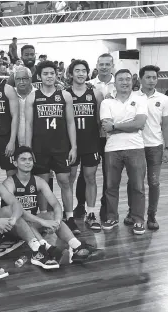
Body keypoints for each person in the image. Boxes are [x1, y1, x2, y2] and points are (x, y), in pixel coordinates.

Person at [3, 146, 103, 264]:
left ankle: (76, 246)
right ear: (15, 163)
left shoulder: (38, 181)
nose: (27, 162)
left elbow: (55, 204)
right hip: (13, 227)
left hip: (33, 226)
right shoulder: (9, 183)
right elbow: (17, 211)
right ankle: (48, 249)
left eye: (30, 159)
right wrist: (43, 222)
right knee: (23, 219)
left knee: (51, 215)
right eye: (23, 159)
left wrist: (57, 221)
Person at [24, 61, 79, 235]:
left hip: (61, 147)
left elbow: (71, 123)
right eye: (45, 73)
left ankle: (69, 217)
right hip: (40, 148)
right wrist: (27, 149)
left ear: (57, 75)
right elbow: (29, 125)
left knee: (65, 181)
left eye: (52, 73)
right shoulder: (32, 97)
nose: (49, 76)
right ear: (39, 76)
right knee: (42, 183)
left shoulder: (65, 96)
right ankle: (45, 217)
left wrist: (74, 146)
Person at [100, 69, 147, 234]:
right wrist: (127, 124)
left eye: (128, 79)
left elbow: (139, 124)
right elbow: (106, 126)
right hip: (112, 149)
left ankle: (139, 220)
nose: (125, 82)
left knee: (138, 187)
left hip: (135, 148)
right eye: (121, 79)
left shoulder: (140, 99)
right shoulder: (107, 103)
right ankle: (112, 218)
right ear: (115, 82)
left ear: (132, 81)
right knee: (111, 186)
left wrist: (116, 125)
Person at [75, 53, 116, 220]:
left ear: (112, 66)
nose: (104, 67)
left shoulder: (120, 83)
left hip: (113, 135)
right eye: (101, 64)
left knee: (109, 173)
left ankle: (106, 206)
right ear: (97, 65)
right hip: (92, 136)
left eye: (108, 64)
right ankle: (80, 205)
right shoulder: (88, 85)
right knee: (85, 174)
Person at [66, 60, 103, 231]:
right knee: (69, 179)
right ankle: (69, 216)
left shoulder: (95, 93)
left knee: (90, 178)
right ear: (71, 73)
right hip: (70, 144)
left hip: (90, 142)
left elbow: (99, 120)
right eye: (77, 70)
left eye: (83, 71)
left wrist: (101, 144)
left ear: (88, 73)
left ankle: (91, 213)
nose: (80, 74)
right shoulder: (64, 94)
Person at [132, 65, 168, 231]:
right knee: (135, 183)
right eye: (148, 77)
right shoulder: (132, 97)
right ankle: (133, 212)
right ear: (141, 79)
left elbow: (166, 126)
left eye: (155, 77)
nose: (152, 80)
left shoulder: (163, 99)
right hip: (135, 146)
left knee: (153, 183)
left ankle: (151, 214)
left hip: (155, 147)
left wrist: (166, 148)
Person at [14, 67, 36, 147]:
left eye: (24, 79)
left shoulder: (38, 94)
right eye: (18, 79)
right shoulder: (10, 94)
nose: (21, 82)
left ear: (30, 79)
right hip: (14, 143)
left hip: (35, 142)